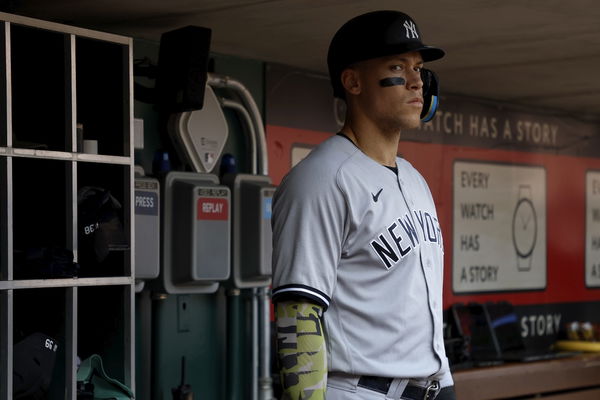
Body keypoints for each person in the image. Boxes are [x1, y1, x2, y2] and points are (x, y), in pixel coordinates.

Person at [271, 10, 456, 400]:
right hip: (359, 390)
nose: (416, 81)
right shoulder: (321, 178)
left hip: (428, 387)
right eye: (397, 66)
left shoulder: (414, 179)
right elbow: (298, 315)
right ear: (352, 81)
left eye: (419, 68)